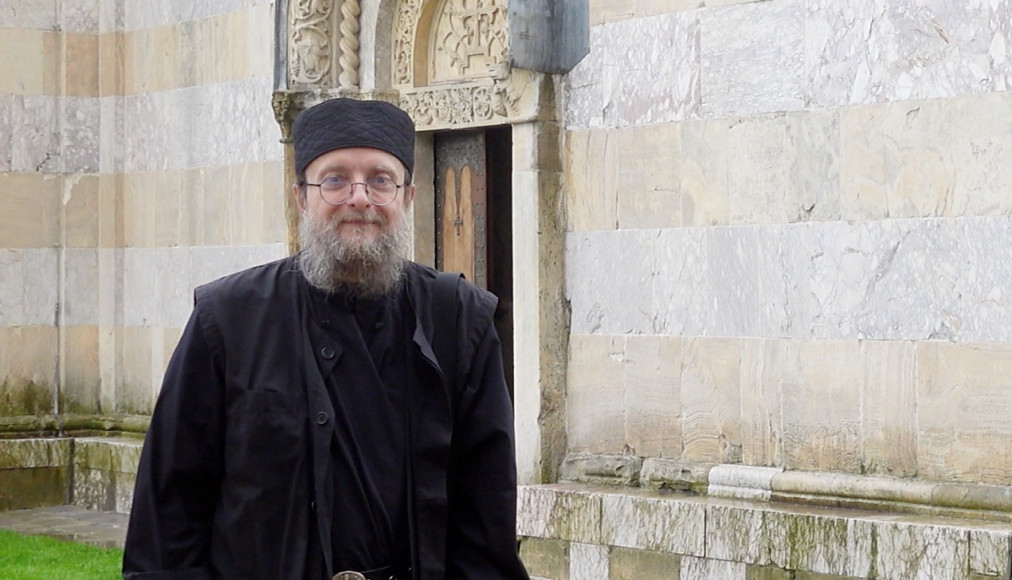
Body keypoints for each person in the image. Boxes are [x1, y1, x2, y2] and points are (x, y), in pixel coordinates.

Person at [123, 98, 530, 580]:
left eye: (381, 179)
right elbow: (170, 516)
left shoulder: (461, 319)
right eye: (335, 179)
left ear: (409, 196)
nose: (359, 197)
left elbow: (485, 526)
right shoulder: (228, 319)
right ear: (301, 196)